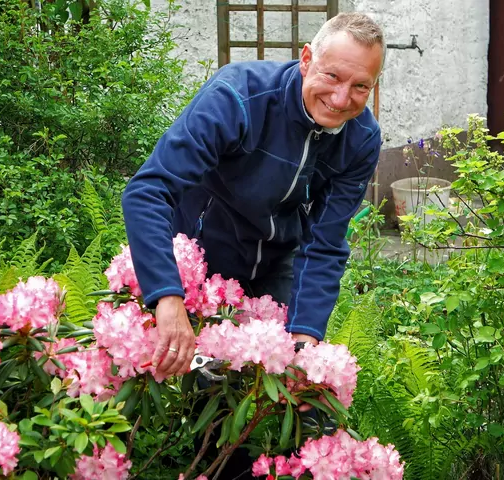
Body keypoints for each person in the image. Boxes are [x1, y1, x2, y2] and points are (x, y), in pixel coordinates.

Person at [122, 12, 385, 381]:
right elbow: (148, 191)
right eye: (333, 76)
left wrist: (305, 339)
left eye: (360, 86)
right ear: (307, 60)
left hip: (277, 266)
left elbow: (325, 242)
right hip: (204, 259)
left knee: (287, 399)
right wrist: (166, 296)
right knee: (203, 393)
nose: (341, 99)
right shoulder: (238, 96)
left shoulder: (361, 139)